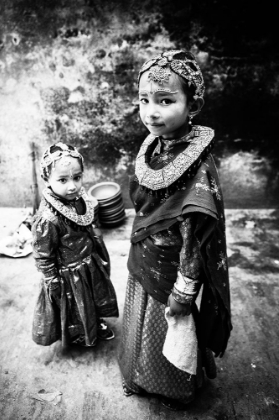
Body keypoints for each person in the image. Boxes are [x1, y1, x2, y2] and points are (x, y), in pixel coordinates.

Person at [117, 49, 232, 410]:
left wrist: (185, 289)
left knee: (169, 323)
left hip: (173, 266)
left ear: (192, 104)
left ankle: (173, 388)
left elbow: (197, 237)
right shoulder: (155, 145)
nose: (152, 111)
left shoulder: (197, 168)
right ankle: (138, 376)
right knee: (140, 323)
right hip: (145, 254)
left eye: (166, 100)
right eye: (144, 99)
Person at [31, 142, 119, 349]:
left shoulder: (81, 199)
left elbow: (88, 223)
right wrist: (52, 279)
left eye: (77, 177)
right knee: (75, 306)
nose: (72, 186)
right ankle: (80, 333)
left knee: (93, 297)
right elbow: (43, 254)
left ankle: (96, 322)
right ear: (47, 179)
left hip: (89, 262)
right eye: (62, 179)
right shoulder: (47, 219)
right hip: (68, 274)